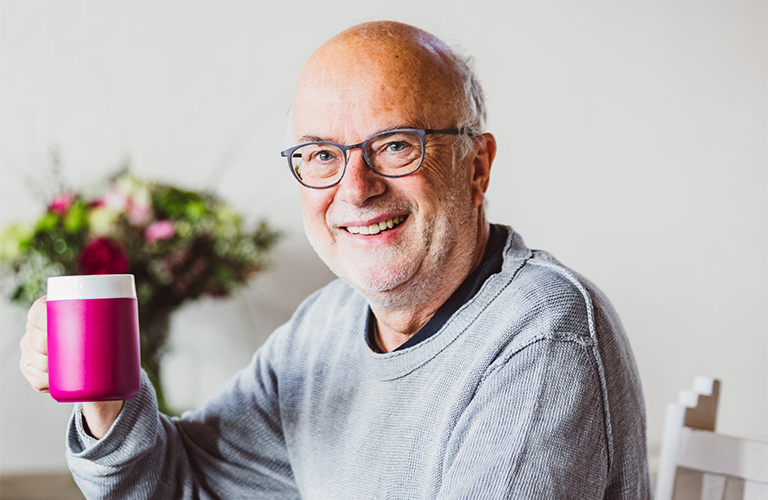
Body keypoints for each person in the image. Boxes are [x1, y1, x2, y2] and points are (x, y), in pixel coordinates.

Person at [19, 21, 653, 499]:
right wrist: (104, 392)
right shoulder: (325, 328)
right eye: (322, 155)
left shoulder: (542, 339)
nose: (355, 188)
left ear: (477, 166)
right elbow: (179, 484)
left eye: (395, 146)